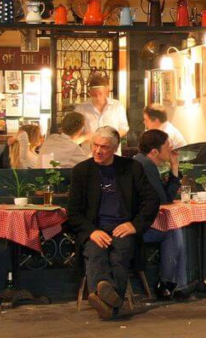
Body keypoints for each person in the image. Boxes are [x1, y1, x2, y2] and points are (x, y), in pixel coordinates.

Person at [65, 126, 159, 320]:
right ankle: (111, 302)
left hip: (122, 227)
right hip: (94, 228)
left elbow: (151, 200)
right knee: (95, 253)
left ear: (115, 148)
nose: (98, 151)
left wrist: (134, 225)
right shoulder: (81, 171)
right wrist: (91, 231)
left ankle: (103, 298)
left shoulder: (131, 168)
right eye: (95, 145)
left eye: (104, 147)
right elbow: (73, 212)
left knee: (120, 255)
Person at [135, 129, 187, 300]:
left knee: (173, 228)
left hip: (134, 224)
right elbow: (164, 199)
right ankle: (168, 284)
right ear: (155, 151)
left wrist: (174, 166)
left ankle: (175, 284)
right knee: (172, 230)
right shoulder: (146, 166)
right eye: (167, 145)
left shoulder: (140, 161)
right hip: (135, 229)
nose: (171, 147)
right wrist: (174, 167)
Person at [74, 72, 130, 142]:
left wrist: (111, 138)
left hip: (112, 147)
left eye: (100, 94)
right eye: (94, 95)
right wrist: (86, 137)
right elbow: (75, 132)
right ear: (89, 93)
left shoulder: (117, 106)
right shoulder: (80, 109)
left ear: (106, 92)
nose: (98, 97)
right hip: (89, 148)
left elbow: (124, 127)